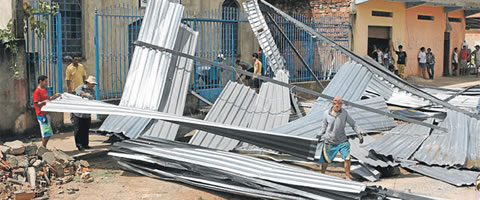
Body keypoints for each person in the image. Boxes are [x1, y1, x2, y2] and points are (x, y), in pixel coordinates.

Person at [316, 97, 364, 180]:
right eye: (336, 105)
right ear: (333, 104)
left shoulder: (344, 113)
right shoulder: (326, 113)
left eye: (340, 104)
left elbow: (353, 123)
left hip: (342, 140)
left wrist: (358, 132)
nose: (338, 106)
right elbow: (324, 126)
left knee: (347, 158)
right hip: (329, 140)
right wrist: (319, 135)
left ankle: (347, 176)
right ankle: (322, 174)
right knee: (325, 159)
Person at [33, 75, 61, 148]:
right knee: (46, 133)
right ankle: (43, 148)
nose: (46, 83)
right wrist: (43, 102)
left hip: (46, 114)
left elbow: (48, 99)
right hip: (42, 115)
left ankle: (43, 147)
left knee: (48, 133)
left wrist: (54, 96)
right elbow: (37, 103)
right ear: (40, 81)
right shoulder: (37, 92)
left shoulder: (44, 90)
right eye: (45, 81)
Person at [71, 76, 97, 151]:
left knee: (85, 129)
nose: (93, 86)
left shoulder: (92, 91)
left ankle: (85, 144)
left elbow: (93, 98)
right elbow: (78, 92)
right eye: (92, 84)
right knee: (78, 129)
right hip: (78, 113)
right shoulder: (81, 87)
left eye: (93, 85)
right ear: (88, 83)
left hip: (87, 113)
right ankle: (79, 145)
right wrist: (85, 94)